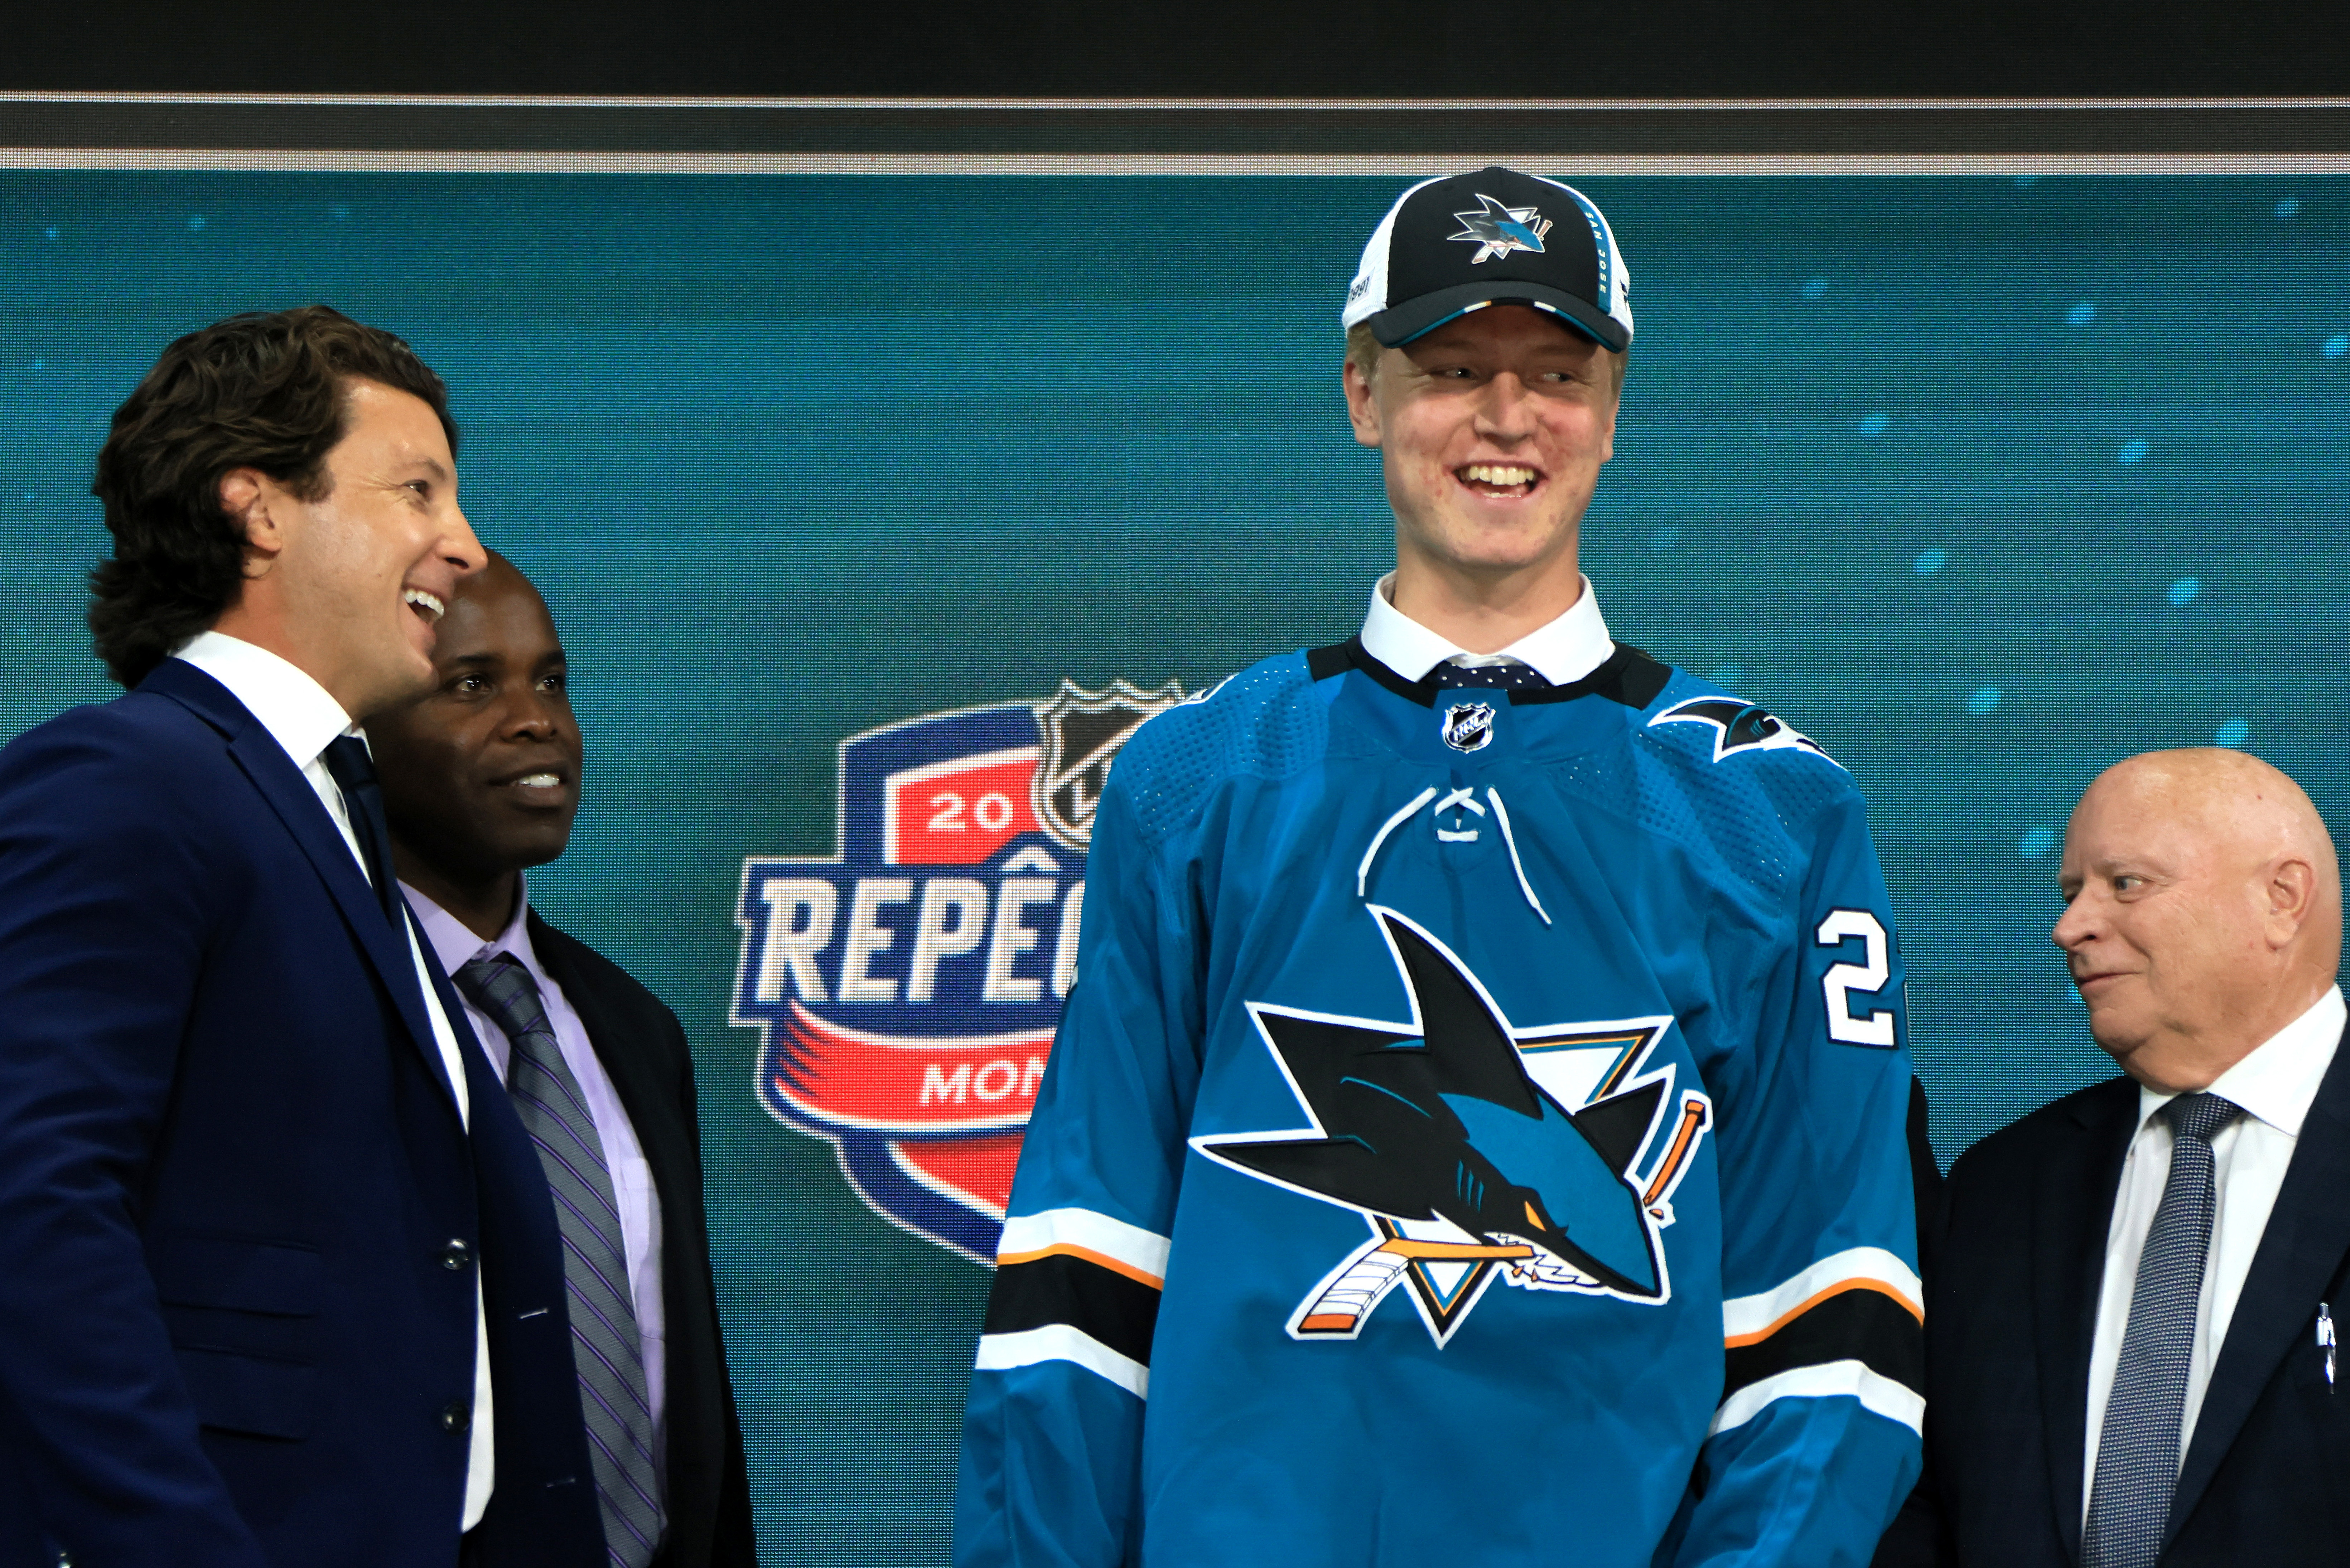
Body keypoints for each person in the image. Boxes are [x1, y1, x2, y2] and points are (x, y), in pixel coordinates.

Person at [956, 167, 1927, 1567]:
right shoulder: (1195, 777)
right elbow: (1082, 1267)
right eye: (1452, 366)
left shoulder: (1769, 807)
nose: (1506, 415)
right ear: (1362, 394)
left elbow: (1834, 1315)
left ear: (1612, 412)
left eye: (1556, 371)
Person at [0, 307, 603, 1568]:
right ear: (260, 509)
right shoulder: (124, 778)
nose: (465, 544)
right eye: (418, 490)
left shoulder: (333, 809)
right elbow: (34, 1202)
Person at [363, 550, 759, 1566]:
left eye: (552, 680)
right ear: (356, 736)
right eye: (471, 684)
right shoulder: (312, 1015)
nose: (538, 719)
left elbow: (687, 1396)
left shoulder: (634, 1027)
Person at [1876, 749, 2350, 1568]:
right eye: (2071, 894)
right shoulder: (1997, 1193)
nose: (2070, 928)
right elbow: (1927, 1503)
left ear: (2283, 899)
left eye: (2125, 884)